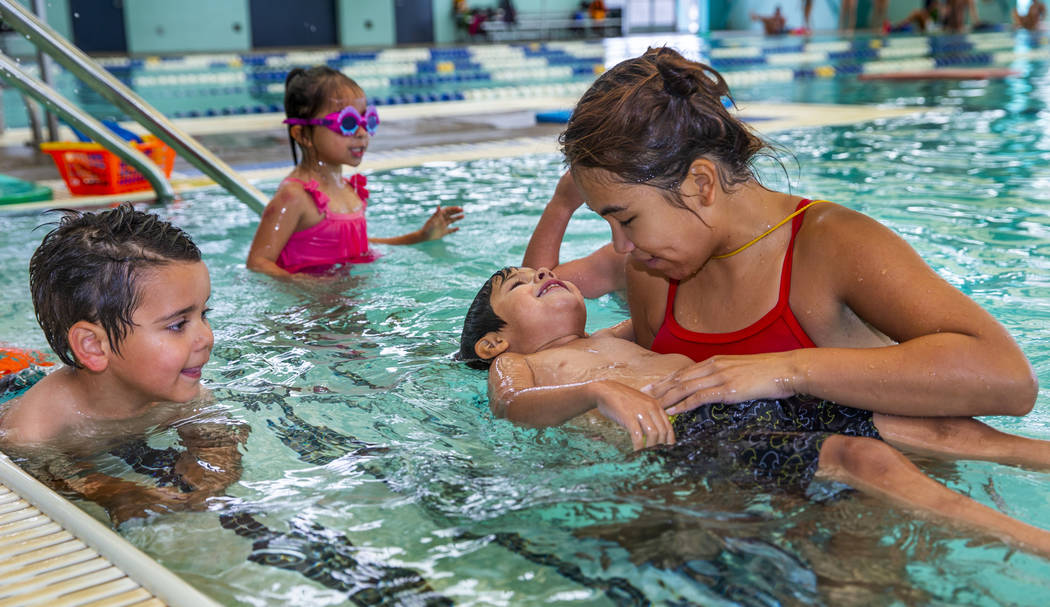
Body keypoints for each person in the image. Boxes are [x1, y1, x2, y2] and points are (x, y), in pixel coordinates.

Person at [526, 47, 1038, 432]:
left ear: (700, 183)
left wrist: (788, 369)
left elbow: (1008, 379)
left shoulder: (832, 246)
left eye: (627, 219)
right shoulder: (650, 269)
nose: (619, 246)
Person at [458, 266, 1050, 556]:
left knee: (937, 428)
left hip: (746, 393)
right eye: (518, 283)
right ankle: (1029, 539)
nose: (541, 273)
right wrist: (596, 393)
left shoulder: (621, 333)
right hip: (698, 427)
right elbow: (513, 408)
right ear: (493, 342)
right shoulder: (521, 367)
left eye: (542, 272)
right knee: (861, 456)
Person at [0, 204, 248, 526]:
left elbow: (216, 437)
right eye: (178, 324)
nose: (206, 337)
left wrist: (211, 473)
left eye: (204, 315)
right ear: (94, 346)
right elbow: (47, 475)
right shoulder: (36, 427)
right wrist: (115, 491)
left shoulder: (179, 393)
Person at [246, 66, 465, 278]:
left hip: (348, 302)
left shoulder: (349, 190)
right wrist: (306, 285)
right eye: (348, 122)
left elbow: (359, 249)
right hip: (309, 312)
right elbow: (258, 262)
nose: (361, 133)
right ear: (302, 134)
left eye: (366, 120)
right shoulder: (294, 196)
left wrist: (419, 237)